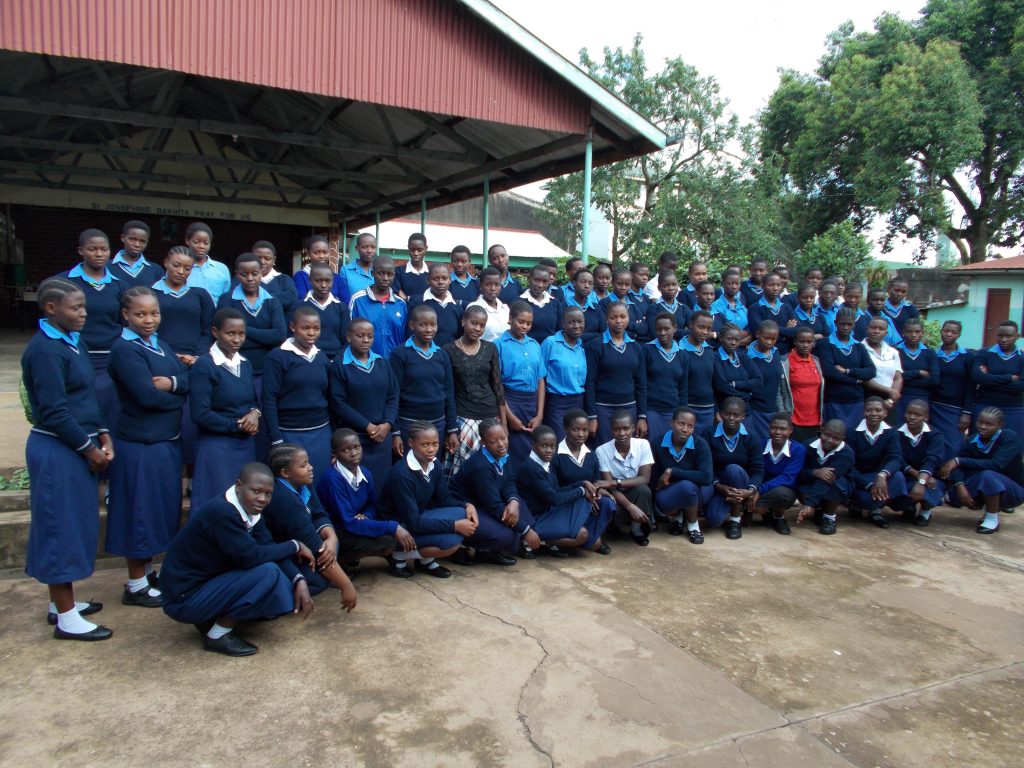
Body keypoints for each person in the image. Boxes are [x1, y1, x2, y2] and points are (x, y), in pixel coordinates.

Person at [23, 278, 115, 640]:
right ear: (51, 308)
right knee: (59, 527)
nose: (84, 313)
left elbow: (86, 397)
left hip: (79, 444)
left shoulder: (73, 341)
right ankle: (66, 619)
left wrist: (103, 433)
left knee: (74, 524)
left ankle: (60, 604)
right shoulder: (45, 351)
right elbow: (55, 412)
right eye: (76, 308)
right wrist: (90, 450)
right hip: (58, 450)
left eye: (84, 307)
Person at [159, 463, 319, 657]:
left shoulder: (250, 511)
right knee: (268, 573)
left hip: (200, 586)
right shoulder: (223, 513)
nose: (262, 499)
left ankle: (210, 618)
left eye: (268, 494)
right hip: (183, 599)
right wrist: (295, 545)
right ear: (239, 485)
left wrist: (298, 579)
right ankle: (218, 634)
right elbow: (251, 557)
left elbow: (268, 546)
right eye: (256, 491)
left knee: (279, 575)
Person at [106, 286, 189, 609]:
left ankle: (149, 572)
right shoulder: (125, 350)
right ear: (125, 315)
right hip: (140, 444)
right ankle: (136, 584)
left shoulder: (159, 345)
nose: (149, 320)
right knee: (139, 511)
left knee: (158, 510)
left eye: (154, 313)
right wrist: (178, 396)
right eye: (140, 314)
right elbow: (146, 396)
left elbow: (186, 380)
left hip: (164, 442)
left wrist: (173, 384)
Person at [378, 421, 478, 576]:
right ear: (411, 443)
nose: (431, 449)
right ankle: (399, 556)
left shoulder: (434, 464)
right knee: (451, 543)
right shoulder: (402, 475)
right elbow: (414, 523)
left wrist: (467, 505)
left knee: (462, 513)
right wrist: (454, 526)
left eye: (435, 444)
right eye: (424, 444)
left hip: (418, 517)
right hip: (399, 528)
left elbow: (444, 499)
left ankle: (425, 561)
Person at [263, 444, 357, 607]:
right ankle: (278, 602)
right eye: (304, 465)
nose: (310, 467)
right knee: (319, 580)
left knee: (330, 546)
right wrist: (347, 586)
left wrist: (331, 537)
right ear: (285, 473)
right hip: (280, 553)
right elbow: (314, 545)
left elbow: (319, 513)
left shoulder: (302, 482)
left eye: (309, 462)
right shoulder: (284, 500)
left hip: (303, 546)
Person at [189, 308, 260, 509]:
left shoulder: (245, 363)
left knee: (243, 504)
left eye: (241, 334)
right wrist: (237, 425)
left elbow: (253, 400)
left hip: (244, 446)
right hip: (216, 448)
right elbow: (200, 414)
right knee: (217, 503)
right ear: (215, 332)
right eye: (230, 333)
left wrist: (255, 413)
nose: (237, 339)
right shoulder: (205, 366)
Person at [316, 429, 411, 575]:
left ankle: (350, 558)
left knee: (390, 538)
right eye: (345, 450)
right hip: (336, 530)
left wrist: (366, 515)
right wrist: (393, 527)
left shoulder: (365, 473)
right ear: (335, 454)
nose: (353, 453)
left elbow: (371, 504)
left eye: (357, 447)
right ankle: (337, 563)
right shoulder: (332, 479)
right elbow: (348, 521)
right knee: (386, 539)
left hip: (355, 524)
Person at [449, 419, 541, 563]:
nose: (501, 444)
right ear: (483, 442)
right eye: (493, 441)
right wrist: (526, 530)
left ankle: (486, 551)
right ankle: (462, 545)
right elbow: (493, 506)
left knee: (520, 507)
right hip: (466, 509)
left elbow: (509, 481)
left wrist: (513, 501)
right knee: (507, 534)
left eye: (503, 438)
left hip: (485, 502)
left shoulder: (502, 454)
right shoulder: (481, 467)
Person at [60, 228, 123, 428]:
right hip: (77, 354)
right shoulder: (64, 283)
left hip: (110, 357)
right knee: (81, 404)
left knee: (111, 406)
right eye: (92, 249)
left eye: (104, 249)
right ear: (81, 250)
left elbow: (123, 322)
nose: (99, 254)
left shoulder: (119, 285)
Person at [516, 426, 613, 555]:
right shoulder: (531, 468)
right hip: (536, 519)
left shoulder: (545, 462)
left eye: (552, 446)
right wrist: (582, 490)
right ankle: (535, 541)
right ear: (533, 445)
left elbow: (557, 489)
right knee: (582, 534)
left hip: (549, 511)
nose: (549, 450)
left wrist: (582, 483)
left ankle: (554, 538)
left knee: (594, 502)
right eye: (544, 446)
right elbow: (555, 498)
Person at [261, 307, 332, 483]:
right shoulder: (277, 357)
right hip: (290, 434)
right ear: (293, 327)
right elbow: (269, 399)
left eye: (316, 328)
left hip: (321, 433)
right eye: (305, 328)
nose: (311, 333)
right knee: (294, 484)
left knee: (320, 482)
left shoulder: (321, 358)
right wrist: (276, 439)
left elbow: (328, 396)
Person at [328, 318, 398, 487]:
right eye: (360, 336)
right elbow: (338, 403)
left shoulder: (382, 362)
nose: (366, 340)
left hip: (382, 437)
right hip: (355, 440)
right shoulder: (340, 365)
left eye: (370, 336)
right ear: (349, 337)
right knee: (357, 486)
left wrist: (388, 423)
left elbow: (393, 396)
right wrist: (367, 426)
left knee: (381, 486)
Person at [391, 304, 459, 463]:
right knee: (408, 467)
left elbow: (449, 393)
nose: (429, 329)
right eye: (423, 324)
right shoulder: (400, 354)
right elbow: (393, 394)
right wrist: (396, 432)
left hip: (438, 424)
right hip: (409, 424)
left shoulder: (442, 355)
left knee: (432, 467)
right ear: (412, 325)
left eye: (433, 324)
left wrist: (452, 429)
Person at [938, 406, 1023, 533]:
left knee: (989, 475)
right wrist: (960, 485)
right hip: (984, 483)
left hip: (1013, 490)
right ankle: (981, 502)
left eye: (989, 424)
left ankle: (991, 519)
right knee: (954, 497)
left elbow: (996, 464)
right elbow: (957, 468)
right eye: (980, 422)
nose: (983, 427)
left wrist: (959, 460)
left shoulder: (1010, 438)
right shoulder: (971, 440)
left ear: (1000, 425)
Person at [443, 304, 504, 475]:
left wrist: (504, 424)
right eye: (474, 323)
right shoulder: (448, 350)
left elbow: (498, 386)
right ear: (463, 322)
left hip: (490, 415)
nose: (478, 328)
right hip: (463, 417)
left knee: (490, 467)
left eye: (482, 325)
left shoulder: (490, 348)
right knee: (464, 471)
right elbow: (448, 391)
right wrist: (451, 429)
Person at [216, 252, 288, 379]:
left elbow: (280, 335)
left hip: (268, 368)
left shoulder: (272, 301)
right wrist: (265, 338)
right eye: (244, 274)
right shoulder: (227, 300)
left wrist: (242, 330)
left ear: (261, 273)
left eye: (254, 274)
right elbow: (223, 337)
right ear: (237, 274)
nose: (250, 278)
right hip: (234, 367)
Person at [551, 409, 614, 554]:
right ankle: (589, 540)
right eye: (575, 429)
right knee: (590, 539)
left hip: (587, 502)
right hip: (565, 504)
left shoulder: (591, 455)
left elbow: (595, 481)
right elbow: (555, 490)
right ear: (565, 429)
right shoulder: (555, 455)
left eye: (584, 430)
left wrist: (598, 491)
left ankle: (586, 537)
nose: (581, 434)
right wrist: (582, 495)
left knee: (608, 503)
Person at [701, 397, 764, 540]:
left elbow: (758, 469)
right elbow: (705, 466)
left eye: (736, 415)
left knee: (733, 469)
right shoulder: (708, 434)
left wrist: (750, 490)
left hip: (742, 484)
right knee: (713, 521)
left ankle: (735, 520)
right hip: (718, 485)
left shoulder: (751, 437)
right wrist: (719, 486)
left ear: (743, 416)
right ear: (721, 414)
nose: (731, 418)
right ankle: (727, 509)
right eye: (728, 414)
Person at [585, 302, 648, 444]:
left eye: (623, 316)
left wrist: (642, 416)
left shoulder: (636, 348)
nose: (619, 321)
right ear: (606, 319)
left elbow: (641, 383)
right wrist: (592, 416)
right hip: (603, 409)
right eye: (613, 317)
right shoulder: (595, 346)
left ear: (628, 318)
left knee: (627, 450)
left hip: (629, 408)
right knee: (603, 450)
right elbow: (589, 382)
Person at [653, 407, 712, 544]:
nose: (685, 429)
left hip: (698, 492)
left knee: (686, 487)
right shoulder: (657, 443)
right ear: (671, 423)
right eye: (681, 423)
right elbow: (654, 478)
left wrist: (672, 471)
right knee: (682, 489)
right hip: (670, 492)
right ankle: (679, 515)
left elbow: (706, 477)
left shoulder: (700, 444)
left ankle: (693, 525)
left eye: (690, 426)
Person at [497, 302, 546, 468]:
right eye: (521, 322)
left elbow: (540, 380)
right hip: (510, 402)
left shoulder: (534, 345)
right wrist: (509, 417)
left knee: (532, 450)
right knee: (512, 451)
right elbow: (497, 384)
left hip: (531, 404)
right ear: (510, 319)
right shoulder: (499, 345)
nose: (525, 326)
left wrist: (539, 414)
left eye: (528, 323)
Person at [597, 410, 656, 546]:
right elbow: (610, 488)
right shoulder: (602, 451)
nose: (622, 433)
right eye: (617, 429)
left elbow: (644, 479)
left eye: (626, 428)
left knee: (643, 490)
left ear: (633, 428)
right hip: (615, 496)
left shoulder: (643, 445)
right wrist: (630, 506)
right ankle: (614, 525)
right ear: (611, 430)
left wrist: (614, 482)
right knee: (608, 504)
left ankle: (636, 530)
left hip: (635, 492)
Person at [847, 396, 907, 528]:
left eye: (878, 410)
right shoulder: (852, 432)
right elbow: (848, 463)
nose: (873, 413)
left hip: (879, 477)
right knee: (862, 497)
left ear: (885, 413)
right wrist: (868, 485)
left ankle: (876, 510)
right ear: (864, 412)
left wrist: (883, 474)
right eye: (869, 410)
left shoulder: (891, 433)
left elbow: (896, 458)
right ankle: (856, 503)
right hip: (858, 478)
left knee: (898, 477)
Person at [816, 307, 876, 434]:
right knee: (833, 435)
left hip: (856, 401)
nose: (845, 327)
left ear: (854, 324)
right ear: (835, 323)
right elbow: (829, 372)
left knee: (854, 437)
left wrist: (848, 371)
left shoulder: (859, 346)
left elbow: (871, 371)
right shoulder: (825, 344)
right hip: (834, 400)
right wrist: (856, 380)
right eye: (842, 324)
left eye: (849, 324)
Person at [152, 246, 215, 366]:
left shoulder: (201, 294)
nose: (181, 272)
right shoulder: (150, 293)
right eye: (176, 265)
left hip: (194, 361)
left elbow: (209, 329)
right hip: (158, 358)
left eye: (187, 268)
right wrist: (160, 353)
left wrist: (197, 356)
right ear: (166, 262)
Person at [888, 400, 946, 527]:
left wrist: (922, 480)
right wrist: (916, 474)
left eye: (917, 414)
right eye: (909, 413)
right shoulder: (895, 432)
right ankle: (908, 506)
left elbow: (932, 459)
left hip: (928, 476)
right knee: (896, 482)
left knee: (931, 486)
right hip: (905, 474)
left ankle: (925, 512)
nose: (912, 417)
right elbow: (896, 457)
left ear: (926, 417)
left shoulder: (935, 435)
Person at [794, 419, 854, 535]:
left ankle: (829, 517)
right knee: (801, 488)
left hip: (838, 485)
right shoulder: (807, 445)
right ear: (821, 430)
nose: (830, 440)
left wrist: (809, 503)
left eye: (836, 438)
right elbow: (798, 472)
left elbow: (827, 479)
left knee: (833, 480)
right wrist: (815, 472)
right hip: (812, 482)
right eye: (827, 435)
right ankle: (819, 510)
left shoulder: (847, 453)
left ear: (843, 438)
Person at [753, 413, 806, 534]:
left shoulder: (797, 450)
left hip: (782, 489)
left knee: (782, 494)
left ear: (790, 430)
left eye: (783, 429)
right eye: (774, 428)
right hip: (760, 487)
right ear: (768, 428)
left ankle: (778, 517)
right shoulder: (760, 445)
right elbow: (755, 470)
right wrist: (754, 489)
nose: (777, 432)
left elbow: (787, 477)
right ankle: (764, 512)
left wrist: (760, 490)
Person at [971, 320, 1024, 440]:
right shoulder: (984, 353)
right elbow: (976, 377)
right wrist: (1009, 378)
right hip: (984, 406)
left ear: (1017, 336)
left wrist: (988, 379)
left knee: (1012, 444)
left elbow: (1021, 386)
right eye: (1000, 335)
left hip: (1013, 410)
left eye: (1009, 336)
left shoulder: (1022, 358)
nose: (1004, 339)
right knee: (979, 443)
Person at [540, 307, 587, 443]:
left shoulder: (582, 347)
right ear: (563, 324)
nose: (576, 326)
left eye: (580, 322)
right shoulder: (550, 343)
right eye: (571, 322)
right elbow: (541, 376)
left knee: (576, 442)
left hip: (578, 401)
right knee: (560, 442)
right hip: (557, 403)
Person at [930, 320, 975, 460]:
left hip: (955, 410)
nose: (949, 334)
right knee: (934, 443)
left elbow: (971, 385)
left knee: (954, 446)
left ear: (959, 334)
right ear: (941, 332)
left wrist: (966, 412)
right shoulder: (932, 354)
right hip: (933, 406)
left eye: (954, 332)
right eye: (946, 331)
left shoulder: (967, 357)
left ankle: (951, 472)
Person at [643, 312, 689, 448]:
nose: (662, 333)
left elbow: (683, 389)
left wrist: (682, 414)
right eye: (659, 329)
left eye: (666, 329)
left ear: (675, 328)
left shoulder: (682, 355)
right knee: (653, 449)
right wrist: (642, 415)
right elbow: (641, 384)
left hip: (673, 412)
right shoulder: (647, 350)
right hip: (652, 411)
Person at [348, 255, 407, 358]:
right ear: (372, 273)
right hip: (365, 363)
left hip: (394, 363)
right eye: (381, 273)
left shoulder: (401, 304)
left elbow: (404, 337)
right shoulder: (357, 300)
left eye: (389, 274)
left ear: (394, 275)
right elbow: (349, 334)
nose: (385, 278)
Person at [778, 327, 824, 445]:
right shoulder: (785, 361)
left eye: (809, 342)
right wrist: (784, 416)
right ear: (795, 342)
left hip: (814, 420)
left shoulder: (817, 361)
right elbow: (779, 392)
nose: (805, 345)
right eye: (802, 341)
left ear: (814, 343)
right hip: (793, 419)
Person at [745, 321, 784, 445]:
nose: (769, 342)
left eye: (773, 339)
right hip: (755, 410)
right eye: (766, 338)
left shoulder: (775, 352)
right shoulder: (747, 356)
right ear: (757, 334)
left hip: (773, 409)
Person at [301, 263, 350, 362]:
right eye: (318, 281)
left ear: (333, 281)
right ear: (310, 280)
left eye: (328, 281)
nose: (323, 285)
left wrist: (337, 360)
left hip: (335, 360)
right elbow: (293, 337)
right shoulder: (300, 307)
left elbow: (347, 340)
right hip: (307, 360)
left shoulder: (341, 308)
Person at [407, 262, 462, 347]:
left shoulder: (457, 307)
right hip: (422, 353)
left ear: (450, 280)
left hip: (450, 354)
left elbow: (459, 336)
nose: (440, 282)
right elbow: (410, 333)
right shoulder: (416, 303)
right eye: (435, 279)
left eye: (444, 278)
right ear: (428, 280)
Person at [895, 318, 939, 424]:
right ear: (903, 333)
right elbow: (892, 377)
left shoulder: (930, 353)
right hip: (899, 397)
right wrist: (918, 373)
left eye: (917, 331)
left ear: (922, 333)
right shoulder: (894, 351)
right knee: (899, 428)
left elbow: (934, 380)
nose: (913, 335)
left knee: (918, 429)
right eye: (909, 332)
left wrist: (904, 376)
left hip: (922, 399)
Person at [680, 310, 717, 433]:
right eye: (701, 327)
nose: (705, 332)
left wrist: (716, 409)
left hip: (708, 409)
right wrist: (683, 409)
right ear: (691, 324)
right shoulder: (680, 351)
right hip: (688, 408)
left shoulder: (709, 351)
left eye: (708, 329)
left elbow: (713, 382)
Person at [712, 324, 762, 412]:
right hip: (725, 410)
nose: (733, 343)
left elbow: (758, 381)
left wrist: (736, 384)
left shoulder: (743, 357)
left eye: (737, 340)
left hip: (745, 409)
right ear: (721, 338)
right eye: (729, 339)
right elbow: (722, 387)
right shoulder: (715, 358)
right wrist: (746, 395)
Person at [862, 316, 904, 418]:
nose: (876, 331)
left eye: (881, 329)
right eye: (873, 327)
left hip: (889, 401)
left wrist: (891, 399)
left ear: (886, 333)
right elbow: (864, 378)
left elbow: (897, 377)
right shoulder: (859, 349)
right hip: (867, 398)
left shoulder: (892, 352)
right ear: (867, 329)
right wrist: (890, 391)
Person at [747, 273, 797, 353]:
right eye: (771, 285)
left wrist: (771, 330)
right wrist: (786, 330)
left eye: (778, 285)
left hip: (786, 352)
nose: (776, 288)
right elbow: (759, 331)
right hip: (763, 352)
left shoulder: (787, 308)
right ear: (762, 286)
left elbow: (796, 332)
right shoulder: (755, 308)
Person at [183, 222, 230, 302]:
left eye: (206, 243)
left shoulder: (222, 269)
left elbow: (226, 300)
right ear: (187, 241)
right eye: (196, 242)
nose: (201, 246)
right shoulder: (179, 268)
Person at [111, 220, 163, 289]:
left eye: (142, 241)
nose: (137, 245)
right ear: (123, 238)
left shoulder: (156, 270)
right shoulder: (107, 267)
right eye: (133, 239)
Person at [295, 235, 348, 301]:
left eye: (325, 252)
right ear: (308, 253)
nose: (321, 256)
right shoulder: (300, 277)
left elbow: (345, 302)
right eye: (316, 253)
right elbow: (302, 300)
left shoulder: (336, 278)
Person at [601, 268, 648, 341]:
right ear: (612, 282)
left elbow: (643, 329)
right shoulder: (605, 303)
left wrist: (626, 326)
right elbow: (608, 329)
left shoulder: (632, 302)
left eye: (627, 285)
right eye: (619, 284)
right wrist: (634, 329)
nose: (623, 288)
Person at [253, 240, 298, 314]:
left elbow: (292, 297)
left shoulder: (284, 279)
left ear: (274, 260)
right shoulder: (242, 279)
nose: (262, 262)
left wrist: (258, 297)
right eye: (258, 258)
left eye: (267, 258)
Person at [562, 268, 606, 344]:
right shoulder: (564, 307)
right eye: (583, 282)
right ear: (574, 283)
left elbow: (604, 333)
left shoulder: (596, 308)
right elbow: (563, 334)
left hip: (594, 349)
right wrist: (594, 334)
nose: (587, 286)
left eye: (590, 283)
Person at [520, 263, 562, 343]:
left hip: (550, 348)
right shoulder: (519, 303)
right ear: (529, 279)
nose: (540, 285)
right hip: (526, 348)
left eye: (545, 281)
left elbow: (559, 330)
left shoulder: (555, 303)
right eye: (536, 280)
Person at [467, 267, 510, 343]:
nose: (493, 288)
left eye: (497, 284)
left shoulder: (505, 309)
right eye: (488, 284)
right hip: (484, 349)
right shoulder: (474, 308)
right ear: (481, 286)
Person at [645, 271, 690, 342]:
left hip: (682, 347)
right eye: (666, 285)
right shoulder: (653, 309)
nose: (671, 288)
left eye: (674, 284)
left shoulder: (684, 308)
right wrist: (682, 332)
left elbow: (694, 331)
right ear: (659, 288)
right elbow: (655, 335)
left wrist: (673, 332)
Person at [710, 271, 750, 345]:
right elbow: (721, 334)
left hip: (744, 348)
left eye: (737, 283)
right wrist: (746, 334)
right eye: (730, 283)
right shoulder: (716, 307)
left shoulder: (741, 306)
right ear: (723, 284)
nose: (734, 286)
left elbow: (751, 329)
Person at [394, 232, 430, 300]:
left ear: (426, 248)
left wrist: (407, 298)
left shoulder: (432, 272)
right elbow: (397, 293)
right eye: (412, 250)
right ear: (408, 248)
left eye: (420, 250)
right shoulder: (399, 272)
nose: (416, 253)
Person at [340, 232, 376, 297]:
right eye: (365, 247)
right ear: (357, 248)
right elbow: (342, 297)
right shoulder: (346, 270)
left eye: (373, 247)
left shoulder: (380, 271)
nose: (369, 251)